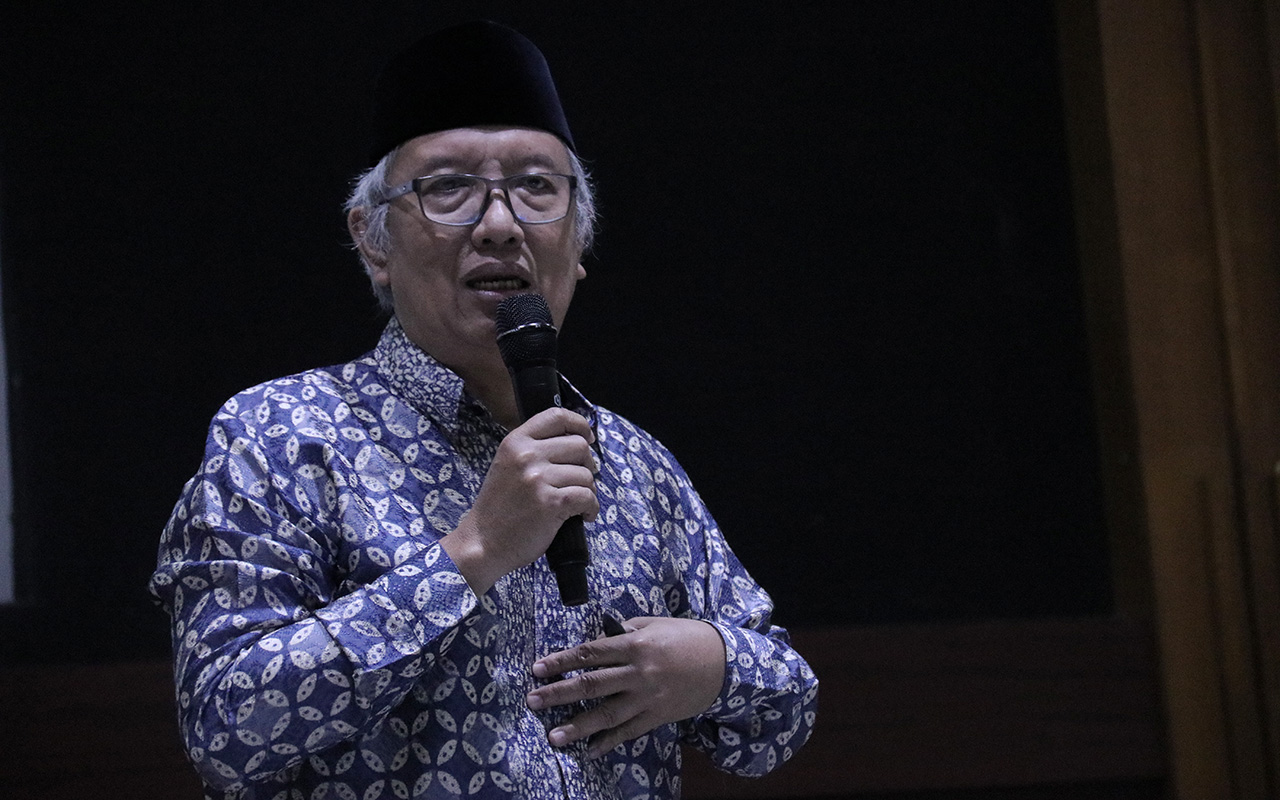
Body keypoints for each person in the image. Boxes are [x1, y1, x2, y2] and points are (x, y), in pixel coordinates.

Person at [149, 19, 817, 800]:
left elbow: (781, 718)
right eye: (448, 188)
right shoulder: (282, 434)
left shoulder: (636, 464)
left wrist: (714, 666)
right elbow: (226, 729)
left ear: (578, 242)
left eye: (537, 187)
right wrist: (471, 554)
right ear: (371, 240)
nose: (500, 224)